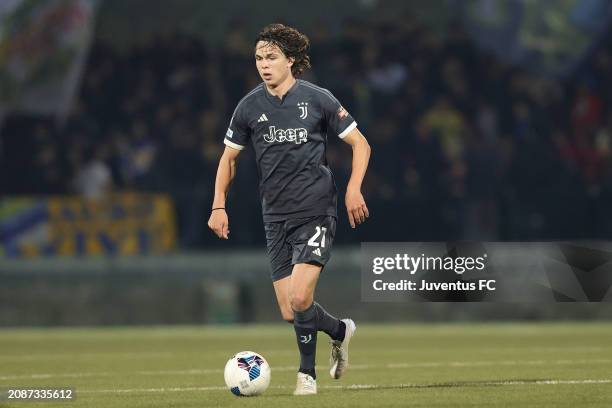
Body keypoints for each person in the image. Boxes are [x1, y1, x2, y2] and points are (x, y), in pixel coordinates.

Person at [208, 23, 371, 395]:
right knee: (289, 310)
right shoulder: (248, 106)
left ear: (291, 61)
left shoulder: (318, 99)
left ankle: (306, 376)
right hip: (274, 216)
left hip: (316, 210)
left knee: (300, 298)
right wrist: (219, 205)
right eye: (258, 58)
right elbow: (229, 159)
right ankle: (341, 331)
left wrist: (353, 190)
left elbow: (361, 144)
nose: (263, 65)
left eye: (271, 58)